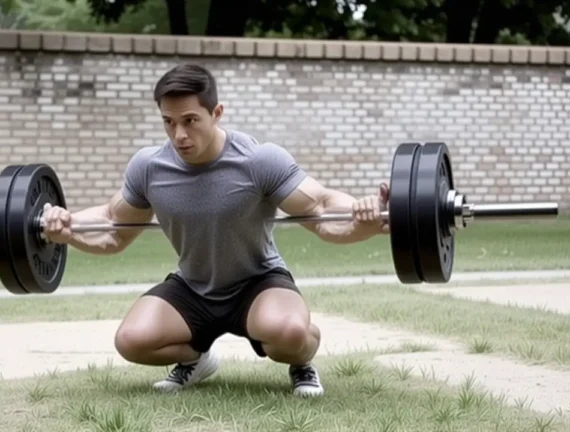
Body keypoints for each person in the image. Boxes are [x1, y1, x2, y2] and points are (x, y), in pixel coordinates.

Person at [41, 63, 390, 398]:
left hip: (258, 282)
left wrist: (370, 217)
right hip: (192, 288)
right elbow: (114, 227)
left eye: (190, 120)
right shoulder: (149, 167)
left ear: (217, 112)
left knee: (290, 333)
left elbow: (322, 208)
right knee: (131, 341)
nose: (179, 134)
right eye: (169, 122)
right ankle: (196, 360)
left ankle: (301, 363)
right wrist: (65, 228)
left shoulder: (258, 160)